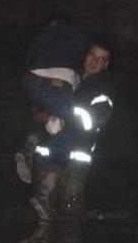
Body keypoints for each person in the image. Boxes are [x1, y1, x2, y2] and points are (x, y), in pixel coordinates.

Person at [31, 41, 114, 220]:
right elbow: (39, 104)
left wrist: (63, 118)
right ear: (85, 55)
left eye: (100, 59)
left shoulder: (103, 88)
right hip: (46, 153)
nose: (94, 62)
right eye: (92, 55)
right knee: (41, 208)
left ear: (106, 64)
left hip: (76, 159)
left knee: (69, 207)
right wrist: (41, 114)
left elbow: (93, 121)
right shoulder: (66, 77)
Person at [16, 16, 89, 186]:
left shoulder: (43, 35)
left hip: (32, 79)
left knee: (41, 113)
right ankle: (47, 189)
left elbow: (29, 59)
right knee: (65, 131)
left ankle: (28, 147)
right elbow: (82, 69)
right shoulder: (78, 38)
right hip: (59, 85)